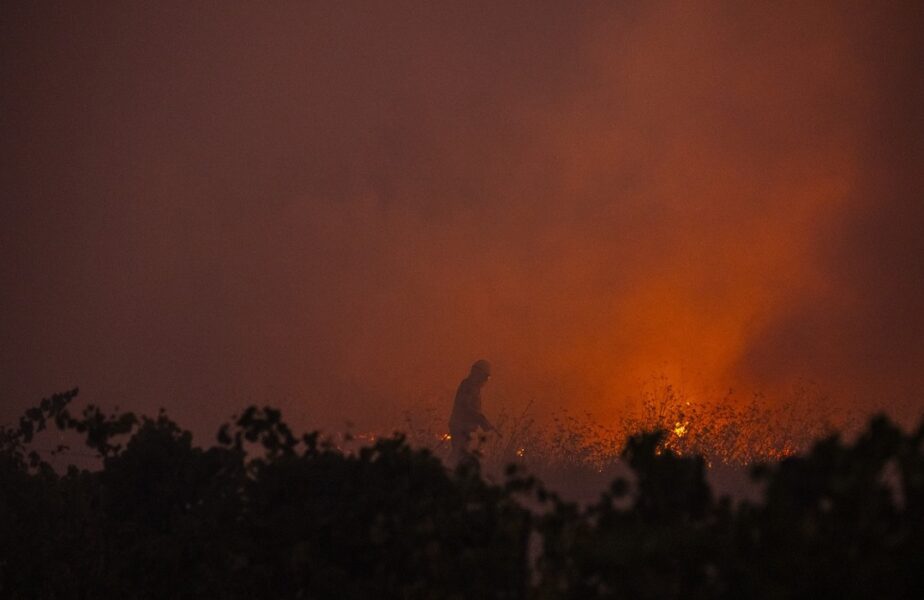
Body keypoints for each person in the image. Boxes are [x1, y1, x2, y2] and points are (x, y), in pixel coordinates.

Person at [449, 359, 499, 467]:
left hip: (464, 427)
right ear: (478, 373)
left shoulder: (473, 387)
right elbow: (467, 407)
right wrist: (482, 421)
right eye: (486, 376)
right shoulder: (469, 386)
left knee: (459, 454)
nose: (486, 380)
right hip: (461, 427)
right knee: (459, 455)